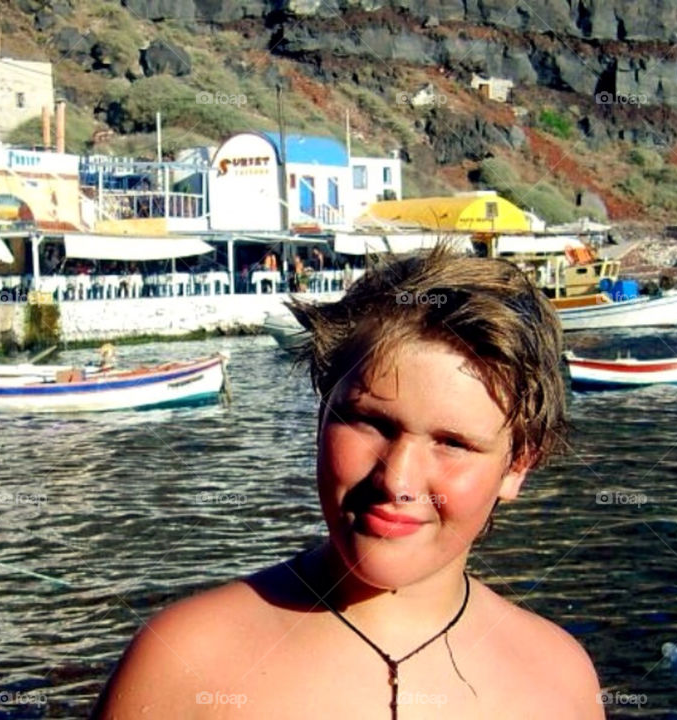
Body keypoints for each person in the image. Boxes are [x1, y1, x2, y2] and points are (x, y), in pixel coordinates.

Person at [91, 247, 602, 719]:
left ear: (518, 466)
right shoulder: (181, 663)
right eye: (370, 422)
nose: (396, 479)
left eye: (452, 443)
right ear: (320, 416)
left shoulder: (561, 681)